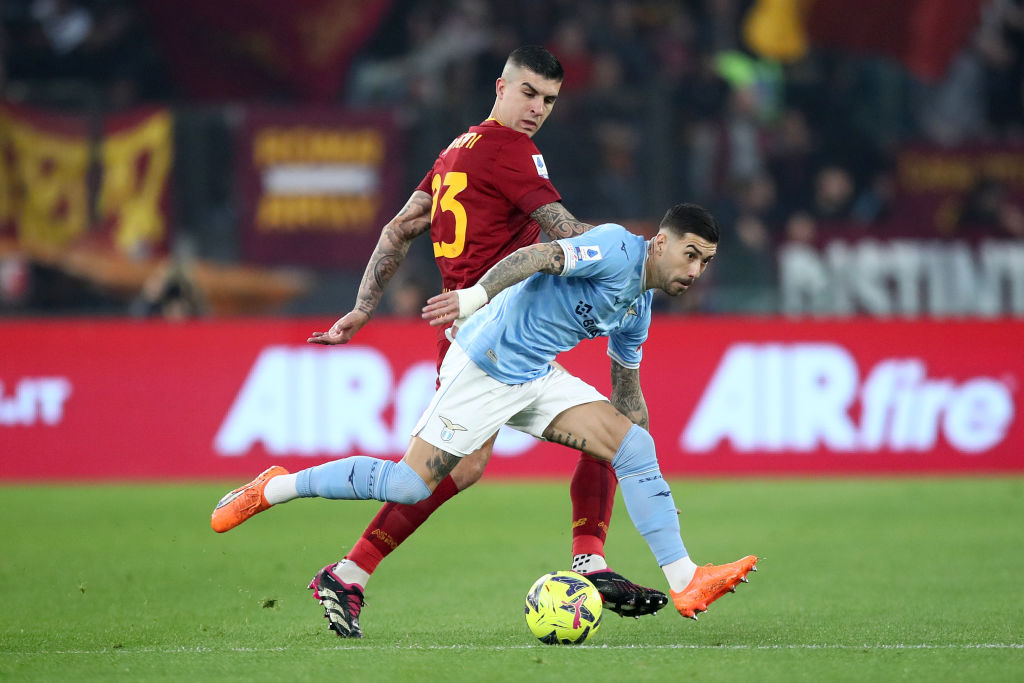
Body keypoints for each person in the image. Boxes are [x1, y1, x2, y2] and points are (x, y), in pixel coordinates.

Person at [213, 46, 666, 637]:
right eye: (528, 93)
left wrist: (363, 307)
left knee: (502, 458)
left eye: (549, 100)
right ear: (500, 87)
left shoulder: (458, 149)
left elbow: (400, 227)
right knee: (427, 475)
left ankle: (352, 572)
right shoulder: (513, 151)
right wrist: (637, 256)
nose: (537, 108)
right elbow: (567, 233)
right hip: (487, 336)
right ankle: (288, 496)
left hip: (483, 330)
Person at [212, 202, 758, 625]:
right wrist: (474, 297)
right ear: (661, 242)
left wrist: (639, 465)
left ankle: (685, 579)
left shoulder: (639, 305)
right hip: (486, 363)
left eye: (705, 262)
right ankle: (275, 487)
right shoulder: (617, 247)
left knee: (633, 444)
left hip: (535, 375)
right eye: (690, 254)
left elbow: (627, 395)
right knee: (407, 485)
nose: (696, 270)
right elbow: (537, 256)